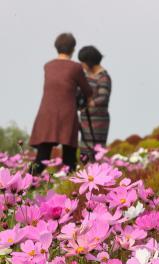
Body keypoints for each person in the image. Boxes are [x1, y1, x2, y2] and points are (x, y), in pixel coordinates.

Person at [29, 33, 93, 175]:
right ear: (73, 49)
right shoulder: (75, 67)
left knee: (41, 158)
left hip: (46, 115)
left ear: (56, 47)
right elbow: (87, 90)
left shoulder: (48, 66)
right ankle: (70, 192)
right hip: (66, 116)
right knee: (69, 160)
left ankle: (22, 188)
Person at [78, 45, 112, 159]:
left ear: (89, 62)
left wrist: (90, 103)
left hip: (98, 123)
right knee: (85, 154)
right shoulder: (86, 76)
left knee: (96, 154)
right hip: (85, 121)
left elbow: (103, 97)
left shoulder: (103, 77)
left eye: (83, 62)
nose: (82, 65)